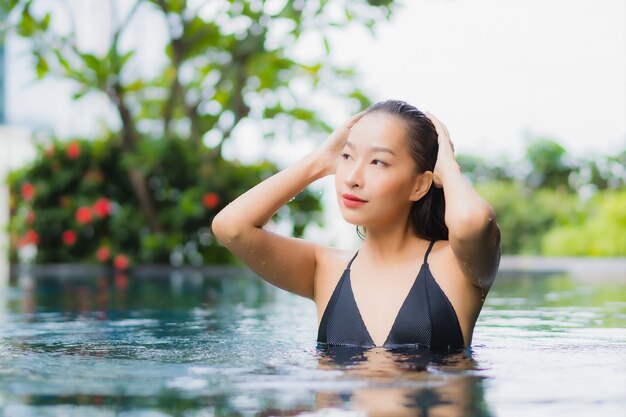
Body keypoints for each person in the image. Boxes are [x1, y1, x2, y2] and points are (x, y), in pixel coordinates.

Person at [212, 100, 501, 352]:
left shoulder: (456, 266)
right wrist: (318, 162)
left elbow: (472, 222)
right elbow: (231, 227)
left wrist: (448, 167)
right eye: (347, 156)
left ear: (420, 184)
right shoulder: (324, 268)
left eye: (378, 162)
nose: (352, 176)